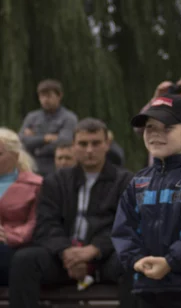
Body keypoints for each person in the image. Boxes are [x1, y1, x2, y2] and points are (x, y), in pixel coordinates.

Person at [112, 94, 181, 308]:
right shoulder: (138, 182)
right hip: (145, 285)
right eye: (150, 127)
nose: (155, 134)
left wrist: (171, 261)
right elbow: (123, 228)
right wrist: (135, 260)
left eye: (167, 127)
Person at [9, 118, 135, 308]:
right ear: (74, 146)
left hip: (105, 257)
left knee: (134, 262)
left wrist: (94, 250)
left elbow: (127, 225)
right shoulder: (55, 181)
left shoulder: (124, 181)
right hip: (62, 258)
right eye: (83, 144)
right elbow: (46, 224)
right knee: (25, 260)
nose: (89, 150)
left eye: (96, 143)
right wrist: (66, 252)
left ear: (107, 145)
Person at [0, 128, 43, 285]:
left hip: (15, 248)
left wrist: (7, 236)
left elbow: (35, 222)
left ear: (15, 156)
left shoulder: (36, 185)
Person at [19, 79, 78, 176]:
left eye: (49, 96)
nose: (45, 100)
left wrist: (34, 139)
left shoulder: (68, 118)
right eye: (42, 96)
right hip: (32, 163)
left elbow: (64, 142)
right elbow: (21, 141)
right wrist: (46, 138)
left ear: (59, 96)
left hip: (55, 164)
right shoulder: (32, 117)